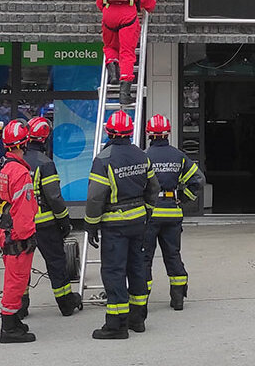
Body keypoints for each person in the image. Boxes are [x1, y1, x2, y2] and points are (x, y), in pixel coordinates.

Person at [84, 111, 158, 339]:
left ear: (108, 131)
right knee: (137, 268)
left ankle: (116, 325)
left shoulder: (103, 159)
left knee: (114, 272)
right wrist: (146, 211)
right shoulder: (142, 156)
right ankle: (138, 319)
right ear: (130, 131)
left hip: (114, 225)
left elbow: (96, 197)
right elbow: (153, 188)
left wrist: (91, 224)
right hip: (138, 221)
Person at [22, 116, 83, 318]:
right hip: (45, 224)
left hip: (20, 224)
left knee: (20, 266)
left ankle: (20, 306)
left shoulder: (14, 160)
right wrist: (64, 221)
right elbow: (54, 197)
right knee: (56, 263)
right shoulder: (45, 164)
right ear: (45, 139)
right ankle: (66, 304)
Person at [143, 114, 203, 311]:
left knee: (145, 258)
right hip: (172, 212)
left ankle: (141, 301)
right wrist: (183, 197)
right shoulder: (178, 156)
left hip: (150, 214)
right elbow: (198, 179)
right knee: (173, 255)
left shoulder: (144, 156)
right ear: (168, 133)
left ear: (149, 133)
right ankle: (178, 299)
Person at [0, 119, 38, 343]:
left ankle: (14, 320)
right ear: (24, 144)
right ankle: (9, 327)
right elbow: (23, 210)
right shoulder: (21, 173)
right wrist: (26, 237)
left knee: (13, 278)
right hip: (17, 235)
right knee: (16, 281)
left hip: (3, 231)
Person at [97, 0, 157, 101]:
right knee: (127, 52)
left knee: (110, 46)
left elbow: (99, 1)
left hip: (108, 15)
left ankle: (112, 73)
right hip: (128, 16)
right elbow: (149, 2)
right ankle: (124, 93)